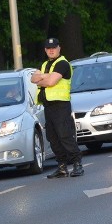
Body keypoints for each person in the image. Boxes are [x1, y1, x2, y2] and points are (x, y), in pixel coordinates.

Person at [31, 37, 83, 178]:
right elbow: (32, 79)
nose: (51, 50)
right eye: (48, 48)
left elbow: (52, 81)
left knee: (65, 135)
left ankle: (77, 164)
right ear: (45, 50)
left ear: (59, 48)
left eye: (54, 47)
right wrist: (45, 78)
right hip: (48, 106)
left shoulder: (63, 64)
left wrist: (42, 79)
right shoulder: (44, 64)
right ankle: (62, 166)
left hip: (61, 105)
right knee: (52, 137)